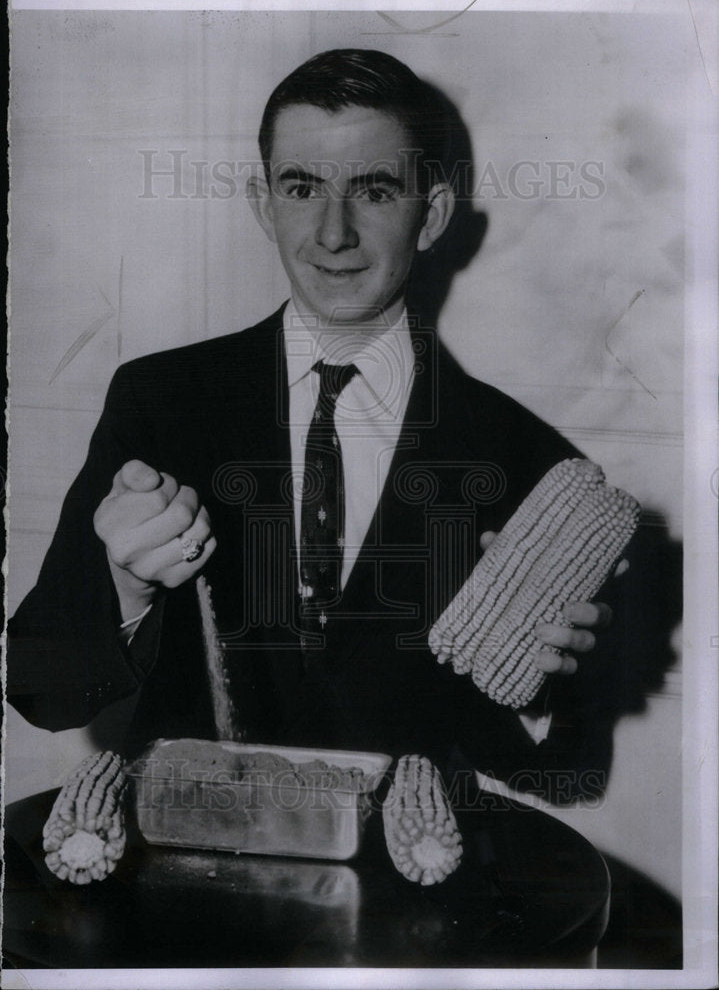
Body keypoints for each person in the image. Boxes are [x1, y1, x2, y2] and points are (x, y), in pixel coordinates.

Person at [8, 49, 622, 800]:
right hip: (188, 876)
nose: (333, 233)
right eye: (302, 187)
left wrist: (536, 684)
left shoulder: (523, 458)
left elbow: (558, 772)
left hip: (399, 892)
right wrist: (124, 585)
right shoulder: (161, 401)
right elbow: (41, 691)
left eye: (374, 190)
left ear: (429, 216)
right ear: (263, 205)